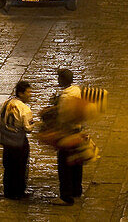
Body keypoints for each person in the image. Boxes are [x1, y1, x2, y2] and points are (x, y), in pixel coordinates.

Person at [49, 68, 85, 206]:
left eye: (59, 78)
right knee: (76, 163)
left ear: (63, 80)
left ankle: (66, 196)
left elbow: (61, 117)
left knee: (64, 166)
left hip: (67, 134)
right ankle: (77, 189)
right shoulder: (77, 90)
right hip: (78, 132)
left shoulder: (64, 97)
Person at [0, 80, 34, 200]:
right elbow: (28, 128)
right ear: (21, 93)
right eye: (28, 92)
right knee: (19, 167)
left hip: (6, 141)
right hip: (19, 142)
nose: (30, 95)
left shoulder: (6, 103)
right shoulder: (25, 109)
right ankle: (18, 192)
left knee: (8, 167)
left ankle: (8, 191)